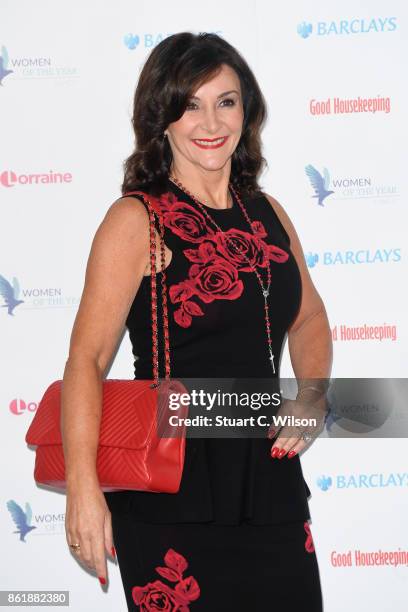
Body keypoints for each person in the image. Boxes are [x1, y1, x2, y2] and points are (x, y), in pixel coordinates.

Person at [62, 32, 332, 611]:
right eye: (190, 104)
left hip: (270, 486)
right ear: (161, 117)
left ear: (247, 111)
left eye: (226, 101)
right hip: (170, 490)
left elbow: (308, 317)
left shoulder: (268, 213)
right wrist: (84, 489)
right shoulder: (136, 219)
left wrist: (311, 393)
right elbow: (85, 360)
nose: (210, 121)